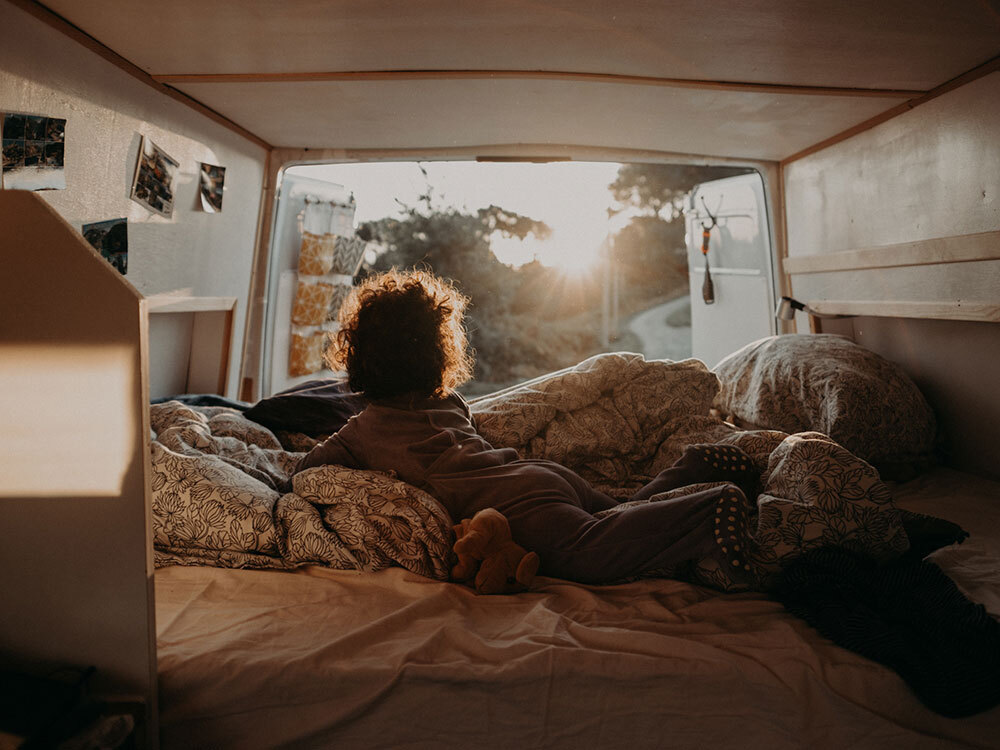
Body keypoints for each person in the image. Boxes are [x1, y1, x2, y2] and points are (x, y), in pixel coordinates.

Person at [293, 269, 757, 586]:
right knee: (621, 510)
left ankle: (709, 511)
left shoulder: (361, 432)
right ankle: (691, 467)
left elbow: (303, 472)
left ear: (357, 358)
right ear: (437, 352)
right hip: (539, 475)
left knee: (590, 551)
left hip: (517, 508)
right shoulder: (449, 401)